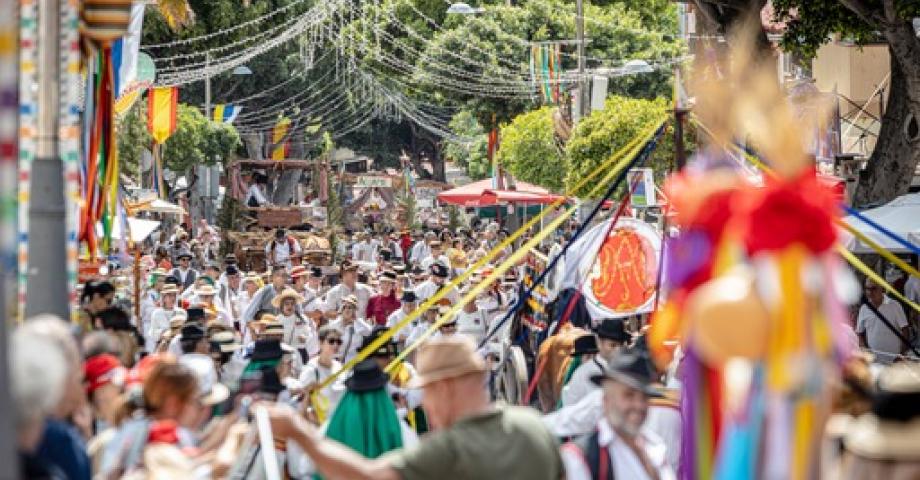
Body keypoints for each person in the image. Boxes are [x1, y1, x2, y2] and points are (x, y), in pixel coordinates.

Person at [266, 336, 563, 480]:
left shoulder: (449, 448)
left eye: (427, 392)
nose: (426, 403)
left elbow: (369, 477)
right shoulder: (535, 425)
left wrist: (300, 434)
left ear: (444, 387)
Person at [560, 352, 674, 480]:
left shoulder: (655, 447)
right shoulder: (580, 458)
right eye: (628, 395)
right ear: (606, 401)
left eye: (644, 397)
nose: (639, 405)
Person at [562, 319, 629, 407]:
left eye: (620, 345)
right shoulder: (583, 373)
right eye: (612, 345)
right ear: (599, 343)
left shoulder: (625, 371)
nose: (617, 350)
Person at [857, 278, 910, 364]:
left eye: (874, 288)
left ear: (882, 288)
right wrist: (866, 352)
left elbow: (905, 330)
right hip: (874, 362)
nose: (870, 292)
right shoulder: (864, 309)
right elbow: (859, 333)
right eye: (867, 289)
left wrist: (901, 354)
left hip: (894, 361)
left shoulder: (895, 305)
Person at [299, 325, 346, 416]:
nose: (335, 345)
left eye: (339, 342)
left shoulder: (339, 367)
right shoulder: (311, 370)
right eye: (331, 341)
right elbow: (301, 402)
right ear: (321, 343)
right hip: (319, 425)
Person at [272, 288, 316, 362]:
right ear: (281, 306)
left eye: (292, 304)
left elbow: (309, 333)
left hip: (300, 352)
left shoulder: (302, 318)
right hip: (282, 353)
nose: (290, 306)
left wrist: (305, 338)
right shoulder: (276, 320)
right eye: (287, 304)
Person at [241, 266, 289, 331]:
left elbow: (299, 315)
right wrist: (255, 332)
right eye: (279, 275)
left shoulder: (290, 292)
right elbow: (247, 316)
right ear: (272, 277)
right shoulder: (264, 291)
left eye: (285, 275)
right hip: (267, 333)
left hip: (285, 331)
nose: (283, 278)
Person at [327, 295, 373, 362]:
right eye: (344, 307)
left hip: (353, 362)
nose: (347, 309)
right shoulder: (334, 325)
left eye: (350, 307)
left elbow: (370, 332)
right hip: (336, 362)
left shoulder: (358, 324)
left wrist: (357, 320)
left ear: (354, 311)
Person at [146, 284, 182, 354]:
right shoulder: (156, 313)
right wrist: (164, 332)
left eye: (174, 295)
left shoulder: (181, 312)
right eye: (169, 295)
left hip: (177, 348)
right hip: (162, 348)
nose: (172, 298)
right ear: (164, 297)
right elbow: (152, 333)